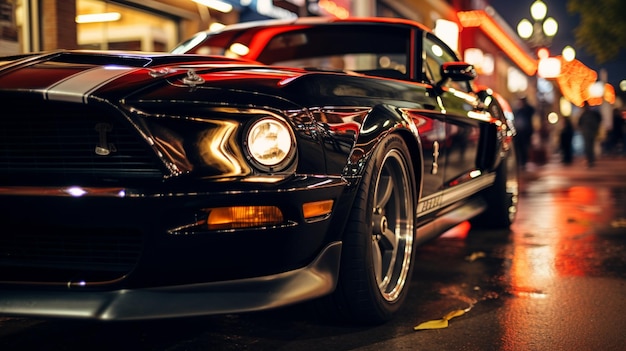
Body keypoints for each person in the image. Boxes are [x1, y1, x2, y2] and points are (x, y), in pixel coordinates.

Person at [577, 101, 602, 167]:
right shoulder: (586, 114)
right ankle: (590, 160)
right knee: (589, 147)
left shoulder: (588, 114)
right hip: (588, 133)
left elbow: (598, 120)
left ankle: (591, 160)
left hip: (589, 133)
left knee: (589, 146)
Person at [513, 97, 535, 169]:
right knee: (518, 147)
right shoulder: (518, 110)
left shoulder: (527, 109)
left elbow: (532, 111)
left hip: (525, 132)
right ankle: (520, 162)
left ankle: (524, 162)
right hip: (518, 132)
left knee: (524, 147)